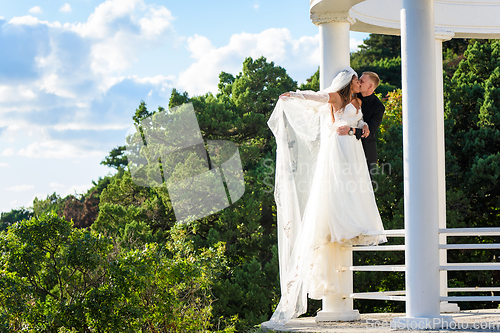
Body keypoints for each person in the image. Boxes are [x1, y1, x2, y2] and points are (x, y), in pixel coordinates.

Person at [267, 67, 386, 324]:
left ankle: (354, 222)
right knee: (336, 185)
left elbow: (365, 124)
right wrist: (295, 95)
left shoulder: (358, 101)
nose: (358, 82)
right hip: (338, 147)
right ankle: (337, 223)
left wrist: (361, 126)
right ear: (349, 82)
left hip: (353, 148)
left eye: (361, 80)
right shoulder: (336, 97)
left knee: (354, 187)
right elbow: (316, 97)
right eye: (356, 79)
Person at [337, 72, 385, 178]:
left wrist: (351, 130)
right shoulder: (351, 95)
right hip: (346, 146)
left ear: (370, 86)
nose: (358, 83)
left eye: (362, 81)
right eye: (358, 80)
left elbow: (370, 131)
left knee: (364, 187)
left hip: (366, 150)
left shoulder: (378, 107)